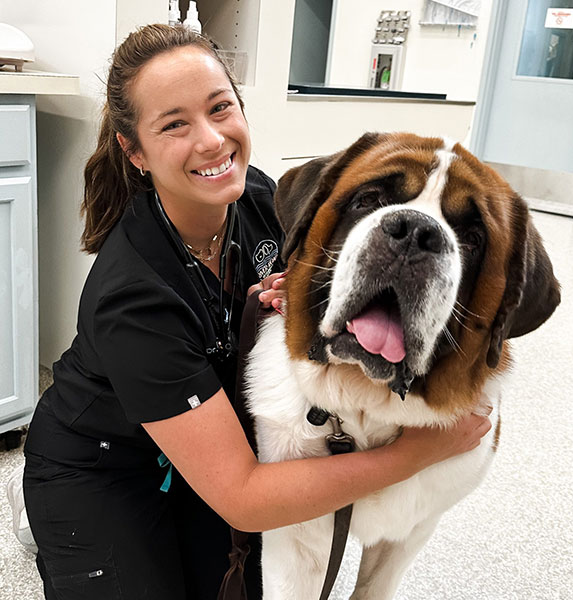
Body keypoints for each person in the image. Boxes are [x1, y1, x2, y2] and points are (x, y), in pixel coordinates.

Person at [22, 24, 492, 600]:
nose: (212, 140)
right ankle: (51, 526)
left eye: (221, 108)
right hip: (106, 466)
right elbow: (243, 495)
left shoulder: (261, 200)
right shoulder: (133, 296)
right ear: (134, 151)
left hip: (215, 443)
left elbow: (324, 278)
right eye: (174, 124)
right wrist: (417, 453)